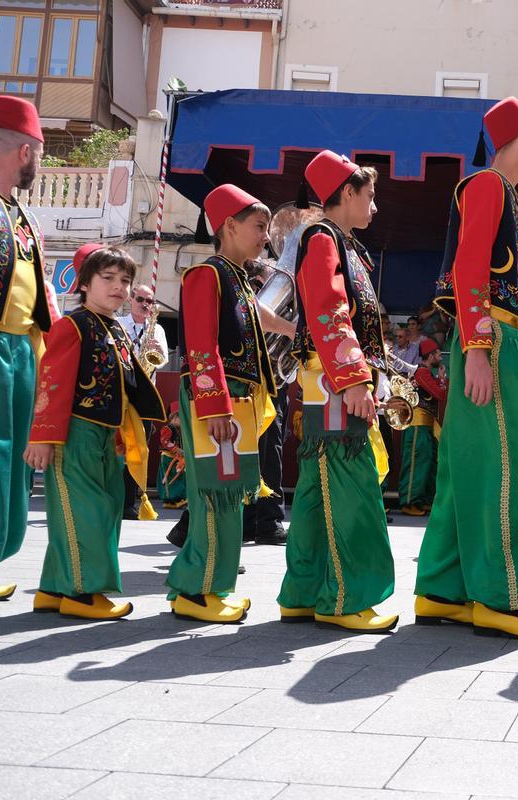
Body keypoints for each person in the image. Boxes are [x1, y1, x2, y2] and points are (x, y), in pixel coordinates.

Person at [414, 97, 518, 639]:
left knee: (469, 468)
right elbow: (469, 266)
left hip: (498, 335)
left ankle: (441, 589)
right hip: (492, 339)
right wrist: (479, 346)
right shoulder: (489, 186)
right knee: (510, 464)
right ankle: (502, 600)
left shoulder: (496, 192)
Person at [279, 151, 398, 633]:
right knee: (352, 486)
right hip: (334, 380)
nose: (374, 207)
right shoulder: (324, 239)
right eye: (369, 196)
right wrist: (354, 379)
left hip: (326, 377)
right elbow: (330, 309)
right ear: (346, 193)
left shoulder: (336, 241)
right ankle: (347, 598)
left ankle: (304, 593)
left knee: (316, 487)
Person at [167, 184, 287, 624]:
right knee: (217, 493)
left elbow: (261, 316)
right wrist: (214, 406)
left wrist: (295, 332)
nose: (266, 237)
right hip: (219, 402)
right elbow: (200, 345)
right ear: (229, 227)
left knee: (229, 493)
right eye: (259, 227)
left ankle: (210, 585)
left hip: (237, 402)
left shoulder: (236, 277)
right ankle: (198, 591)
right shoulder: (207, 274)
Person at [24, 245, 164, 619]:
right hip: (76, 433)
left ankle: (54, 588)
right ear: (84, 284)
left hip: (105, 436)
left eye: (125, 281)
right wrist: (42, 436)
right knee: (87, 511)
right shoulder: (73, 325)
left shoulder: (114, 327)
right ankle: (84, 594)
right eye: (108, 279)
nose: (119, 287)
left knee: (98, 507)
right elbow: (52, 382)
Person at [0, 96, 59, 601]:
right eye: (40, 151)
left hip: (25, 351)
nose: (41, 161)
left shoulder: (22, 216)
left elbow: (44, 293)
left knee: (15, 459)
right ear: (23, 150)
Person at [241, 257, 291, 546]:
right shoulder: (248, 290)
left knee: (263, 450)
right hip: (261, 381)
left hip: (267, 379)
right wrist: (293, 330)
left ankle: (254, 520)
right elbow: (260, 318)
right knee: (268, 449)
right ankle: (267, 520)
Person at [114, 283, 168, 520]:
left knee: (139, 451)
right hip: (123, 394)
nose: (145, 304)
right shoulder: (119, 325)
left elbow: (163, 359)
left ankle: (129, 502)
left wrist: (157, 351)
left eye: (149, 301)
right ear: (131, 300)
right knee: (118, 449)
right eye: (141, 300)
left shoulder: (158, 330)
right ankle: (114, 499)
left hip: (145, 396)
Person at [399, 337, 447, 516]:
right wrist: (442, 380)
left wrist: (440, 379)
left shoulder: (428, 374)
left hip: (426, 424)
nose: (440, 355)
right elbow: (439, 394)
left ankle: (424, 499)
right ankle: (409, 501)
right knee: (416, 463)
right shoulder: (422, 373)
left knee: (427, 463)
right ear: (430, 355)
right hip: (418, 424)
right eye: (437, 352)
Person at [156, 402, 187, 509]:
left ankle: (176, 499)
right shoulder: (168, 428)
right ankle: (170, 498)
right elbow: (165, 441)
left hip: (176, 458)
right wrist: (176, 448)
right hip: (167, 457)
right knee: (170, 477)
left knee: (179, 476)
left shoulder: (179, 429)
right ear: (174, 418)